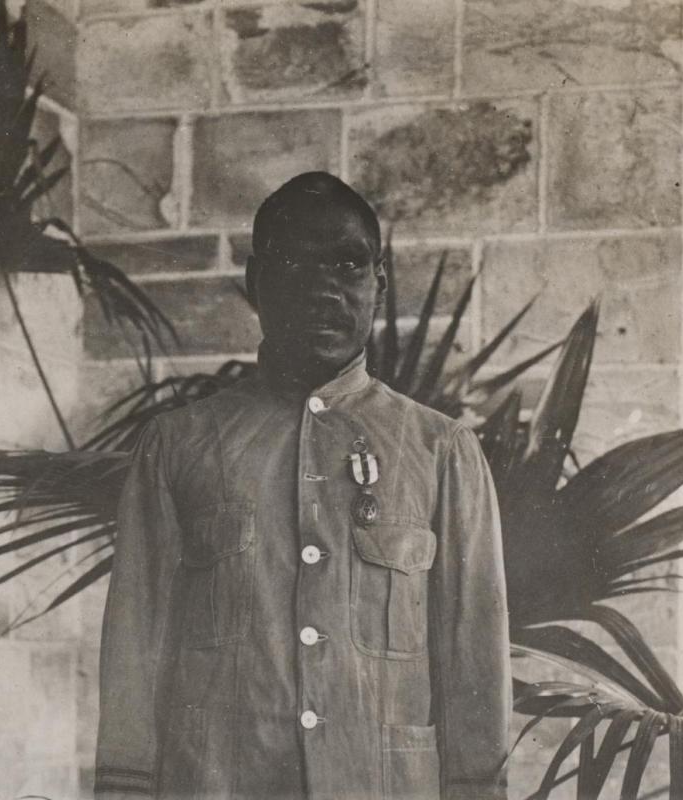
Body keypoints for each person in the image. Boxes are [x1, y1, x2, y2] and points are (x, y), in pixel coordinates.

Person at [94, 172, 511, 800]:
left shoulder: (442, 451)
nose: (322, 289)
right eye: (292, 262)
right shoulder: (177, 445)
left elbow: (474, 659)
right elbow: (135, 644)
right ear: (254, 284)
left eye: (346, 264)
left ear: (378, 284)